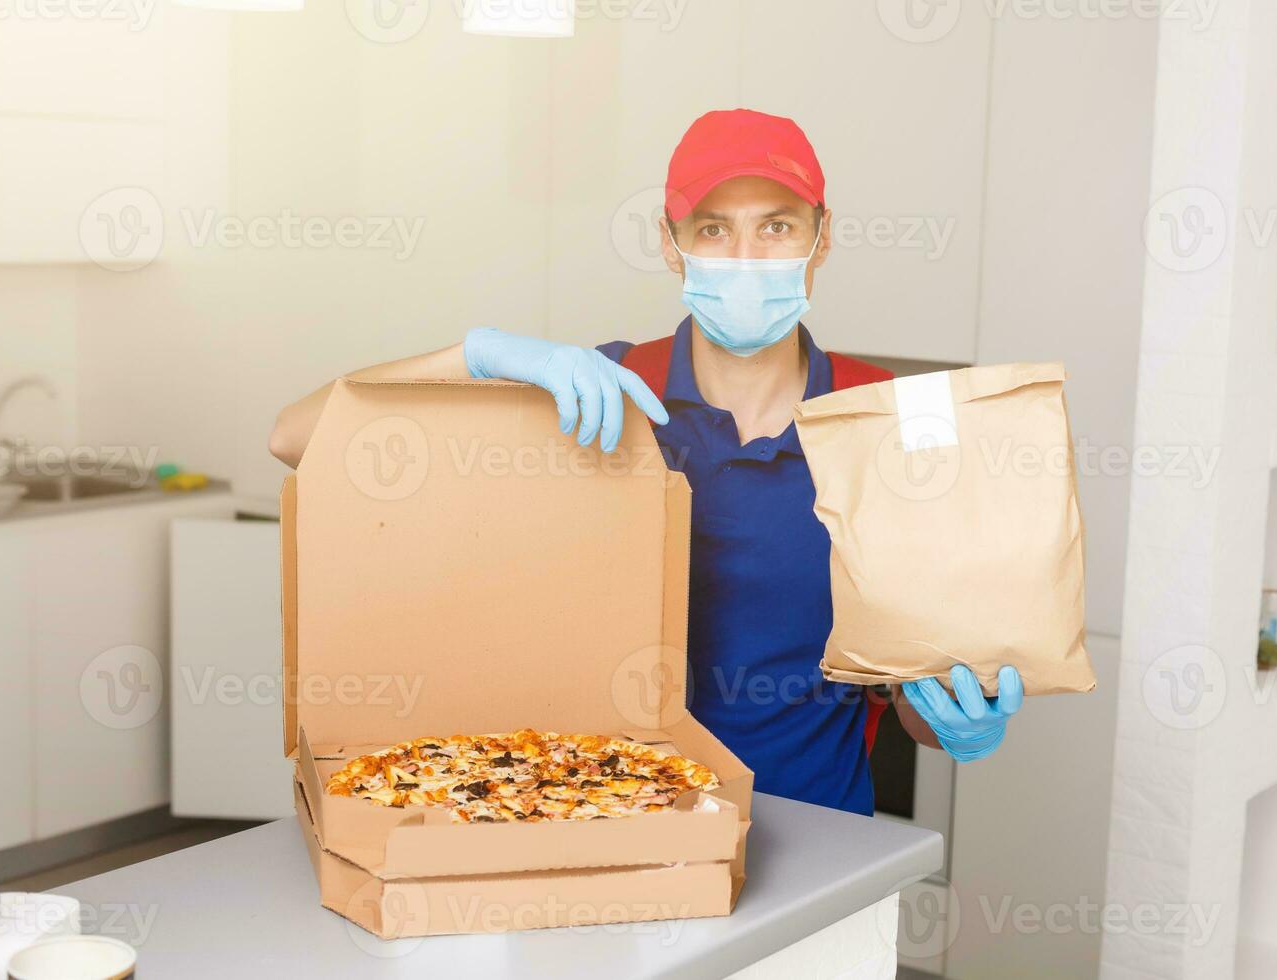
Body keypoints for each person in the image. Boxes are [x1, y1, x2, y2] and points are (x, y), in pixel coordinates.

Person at [269, 108, 1022, 816]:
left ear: (821, 240)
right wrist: (476, 354)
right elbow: (296, 437)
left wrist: (960, 723)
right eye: (715, 230)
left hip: (823, 840)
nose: (748, 258)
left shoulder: (887, 417)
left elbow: (925, 697)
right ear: (671, 243)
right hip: (612, 827)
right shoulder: (601, 396)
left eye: (778, 227)